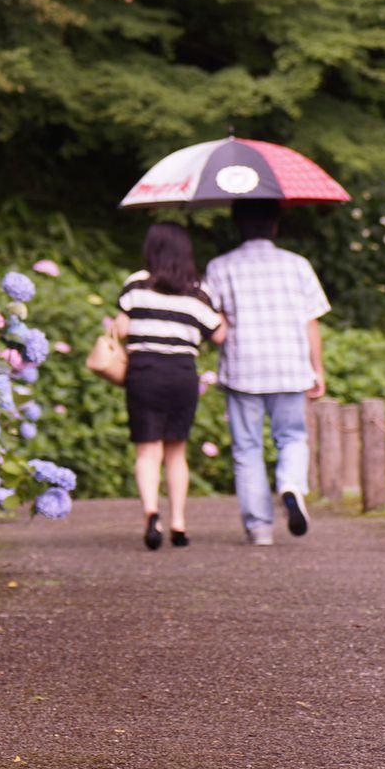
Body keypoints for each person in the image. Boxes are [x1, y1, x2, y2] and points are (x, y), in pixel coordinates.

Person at [201, 198, 330, 546]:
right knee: (292, 437)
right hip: (289, 366)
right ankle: (290, 485)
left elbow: (212, 323)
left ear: (237, 225)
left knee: (247, 449)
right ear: (274, 226)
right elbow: (310, 321)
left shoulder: (219, 266)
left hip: (243, 369)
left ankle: (259, 529)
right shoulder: (297, 265)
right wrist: (317, 368)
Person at [113, 223, 225, 550]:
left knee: (148, 451)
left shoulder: (136, 284)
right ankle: (178, 523)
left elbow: (120, 329)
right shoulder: (198, 293)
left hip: (144, 373)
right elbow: (218, 335)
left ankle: (151, 514)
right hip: (181, 375)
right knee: (176, 452)